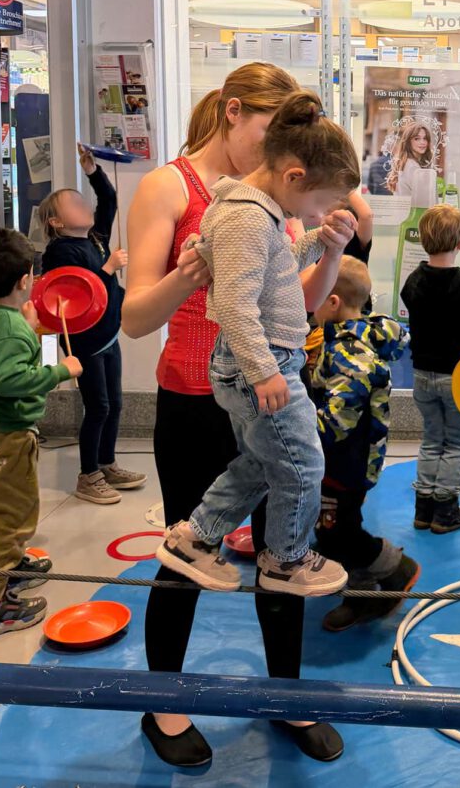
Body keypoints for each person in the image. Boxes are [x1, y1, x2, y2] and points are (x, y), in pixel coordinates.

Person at [124, 62, 343, 767]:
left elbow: (293, 306)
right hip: (195, 397)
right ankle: (164, 701)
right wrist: (190, 277)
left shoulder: (267, 201)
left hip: (264, 386)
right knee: (188, 554)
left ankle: (285, 693)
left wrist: (330, 251)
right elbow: (133, 317)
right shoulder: (175, 187)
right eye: (270, 133)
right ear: (232, 111)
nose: (282, 155)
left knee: (282, 544)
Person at [155, 90, 358, 598]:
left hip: (264, 360)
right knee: (303, 463)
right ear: (293, 178)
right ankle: (287, 560)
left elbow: (279, 262)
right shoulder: (247, 216)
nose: (320, 211)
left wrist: (321, 240)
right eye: (320, 202)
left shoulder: (255, 212)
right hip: (260, 364)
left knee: (262, 462)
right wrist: (264, 371)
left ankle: (195, 539)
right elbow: (235, 306)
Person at [0, 229, 82, 640]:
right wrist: (65, 370)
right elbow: (13, 380)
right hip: (3, 441)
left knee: (7, 510)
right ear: (25, 280)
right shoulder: (9, 328)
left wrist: (38, 332)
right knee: (6, 522)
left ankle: (8, 566)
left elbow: (23, 363)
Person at [310, 256, 419, 631]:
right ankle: (359, 584)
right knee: (334, 525)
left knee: (338, 532)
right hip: (350, 460)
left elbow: (337, 422)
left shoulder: (349, 353)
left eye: (314, 295)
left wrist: (297, 427)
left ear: (334, 302)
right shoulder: (353, 337)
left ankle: (389, 571)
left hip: (344, 462)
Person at [40, 143, 146, 505]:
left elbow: (110, 199)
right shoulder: (59, 251)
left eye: (83, 201)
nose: (84, 205)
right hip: (83, 341)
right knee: (98, 406)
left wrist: (91, 171)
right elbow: (81, 293)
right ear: (56, 222)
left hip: (107, 335)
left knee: (114, 404)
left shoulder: (95, 237)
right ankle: (88, 475)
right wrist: (109, 269)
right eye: (73, 204)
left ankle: (106, 462)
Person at [401, 203, 460, 533]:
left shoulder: (413, 281)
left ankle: (422, 508)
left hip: (422, 375)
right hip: (459, 377)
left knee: (430, 440)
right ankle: (445, 511)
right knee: (457, 444)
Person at [386, 120, 434, 197]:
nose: (422, 142)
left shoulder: (404, 162)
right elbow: (423, 197)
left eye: (425, 138)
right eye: (417, 139)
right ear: (408, 142)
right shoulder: (413, 167)